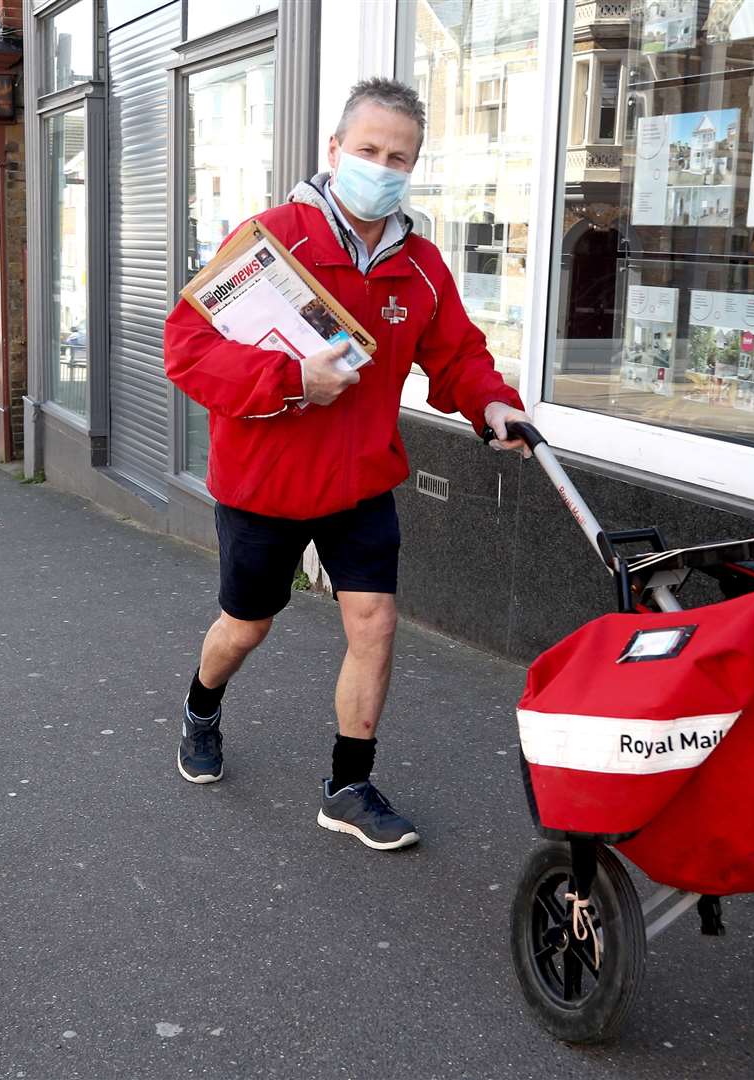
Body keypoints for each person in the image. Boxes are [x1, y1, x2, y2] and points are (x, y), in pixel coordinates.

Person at [163, 78, 532, 851]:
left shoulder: (421, 265)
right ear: (334, 151)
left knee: (374, 623)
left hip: (360, 481)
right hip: (264, 481)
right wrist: (292, 381)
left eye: (399, 157)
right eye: (368, 150)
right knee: (246, 625)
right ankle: (201, 707)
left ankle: (348, 785)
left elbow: (457, 356)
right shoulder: (271, 238)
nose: (382, 166)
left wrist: (492, 403)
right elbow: (188, 351)